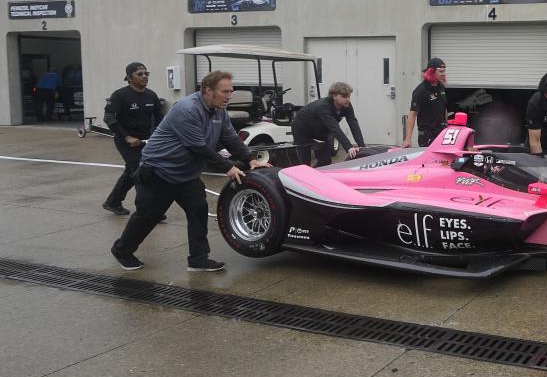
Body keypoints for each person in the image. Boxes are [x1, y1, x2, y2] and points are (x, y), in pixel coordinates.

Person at [111, 71, 269, 272]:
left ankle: (198, 259)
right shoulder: (187, 109)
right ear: (208, 90)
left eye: (231, 91)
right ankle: (122, 250)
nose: (229, 96)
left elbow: (230, 138)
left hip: (187, 174)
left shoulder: (219, 111)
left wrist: (250, 160)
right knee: (147, 217)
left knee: (198, 211)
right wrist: (228, 167)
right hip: (159, 171)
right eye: (225, 91)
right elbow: (197, 146)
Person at [101, 62, 164, 215]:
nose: (144, 76)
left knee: (131, 172)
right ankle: (148, 211)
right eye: (140, 74)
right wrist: (127, 137)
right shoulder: (119, 95)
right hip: (126, 141)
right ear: (129, 78)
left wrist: (160, 136)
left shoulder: (151, 95)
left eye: (146, 73)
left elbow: (160, 118)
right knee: (141, 172)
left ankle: (113, 202)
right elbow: (109, 118)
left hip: (146, 141)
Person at [291, 82, 365, 166]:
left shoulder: (347, 106)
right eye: (344, 97)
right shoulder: (323, 107)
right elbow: (335, 128)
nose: (347, 99)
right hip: (302, 129)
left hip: (320, 130)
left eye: (348, 96)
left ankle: (315, 176)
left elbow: (353, 123)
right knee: (304, 164)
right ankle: (304, 176)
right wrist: (349, 148)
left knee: (325, 161)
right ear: (334, 96)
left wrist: (361, 146)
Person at [402, 57, 447, 147]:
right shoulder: (421, 91)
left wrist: (447, 126)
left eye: (444, 71)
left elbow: (444, 108)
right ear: (431, 72)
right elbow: (412, 114)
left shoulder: (441, 86)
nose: (443, 74)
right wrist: (408, 138)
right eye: (441, 71)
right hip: (427, 135)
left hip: (441, 133)